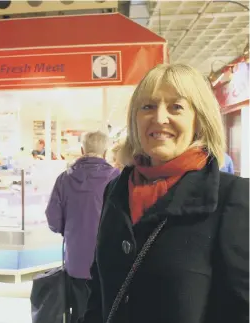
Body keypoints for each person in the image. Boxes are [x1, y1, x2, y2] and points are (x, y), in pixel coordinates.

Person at [80, 63, 249, 323]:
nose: (159, 118)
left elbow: (241, 308)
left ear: (199, 120)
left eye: (176, 107)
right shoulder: (116, 190)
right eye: (147, 106)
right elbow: (100, 292)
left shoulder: (232, 197)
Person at [46, 131, 119, 323]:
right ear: (105, 152)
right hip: (108, 259)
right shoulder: (117, 178)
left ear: (82, 149)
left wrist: (71, 231)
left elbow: (53, 219)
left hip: (76, 260)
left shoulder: (64, 178)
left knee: (79, 311)